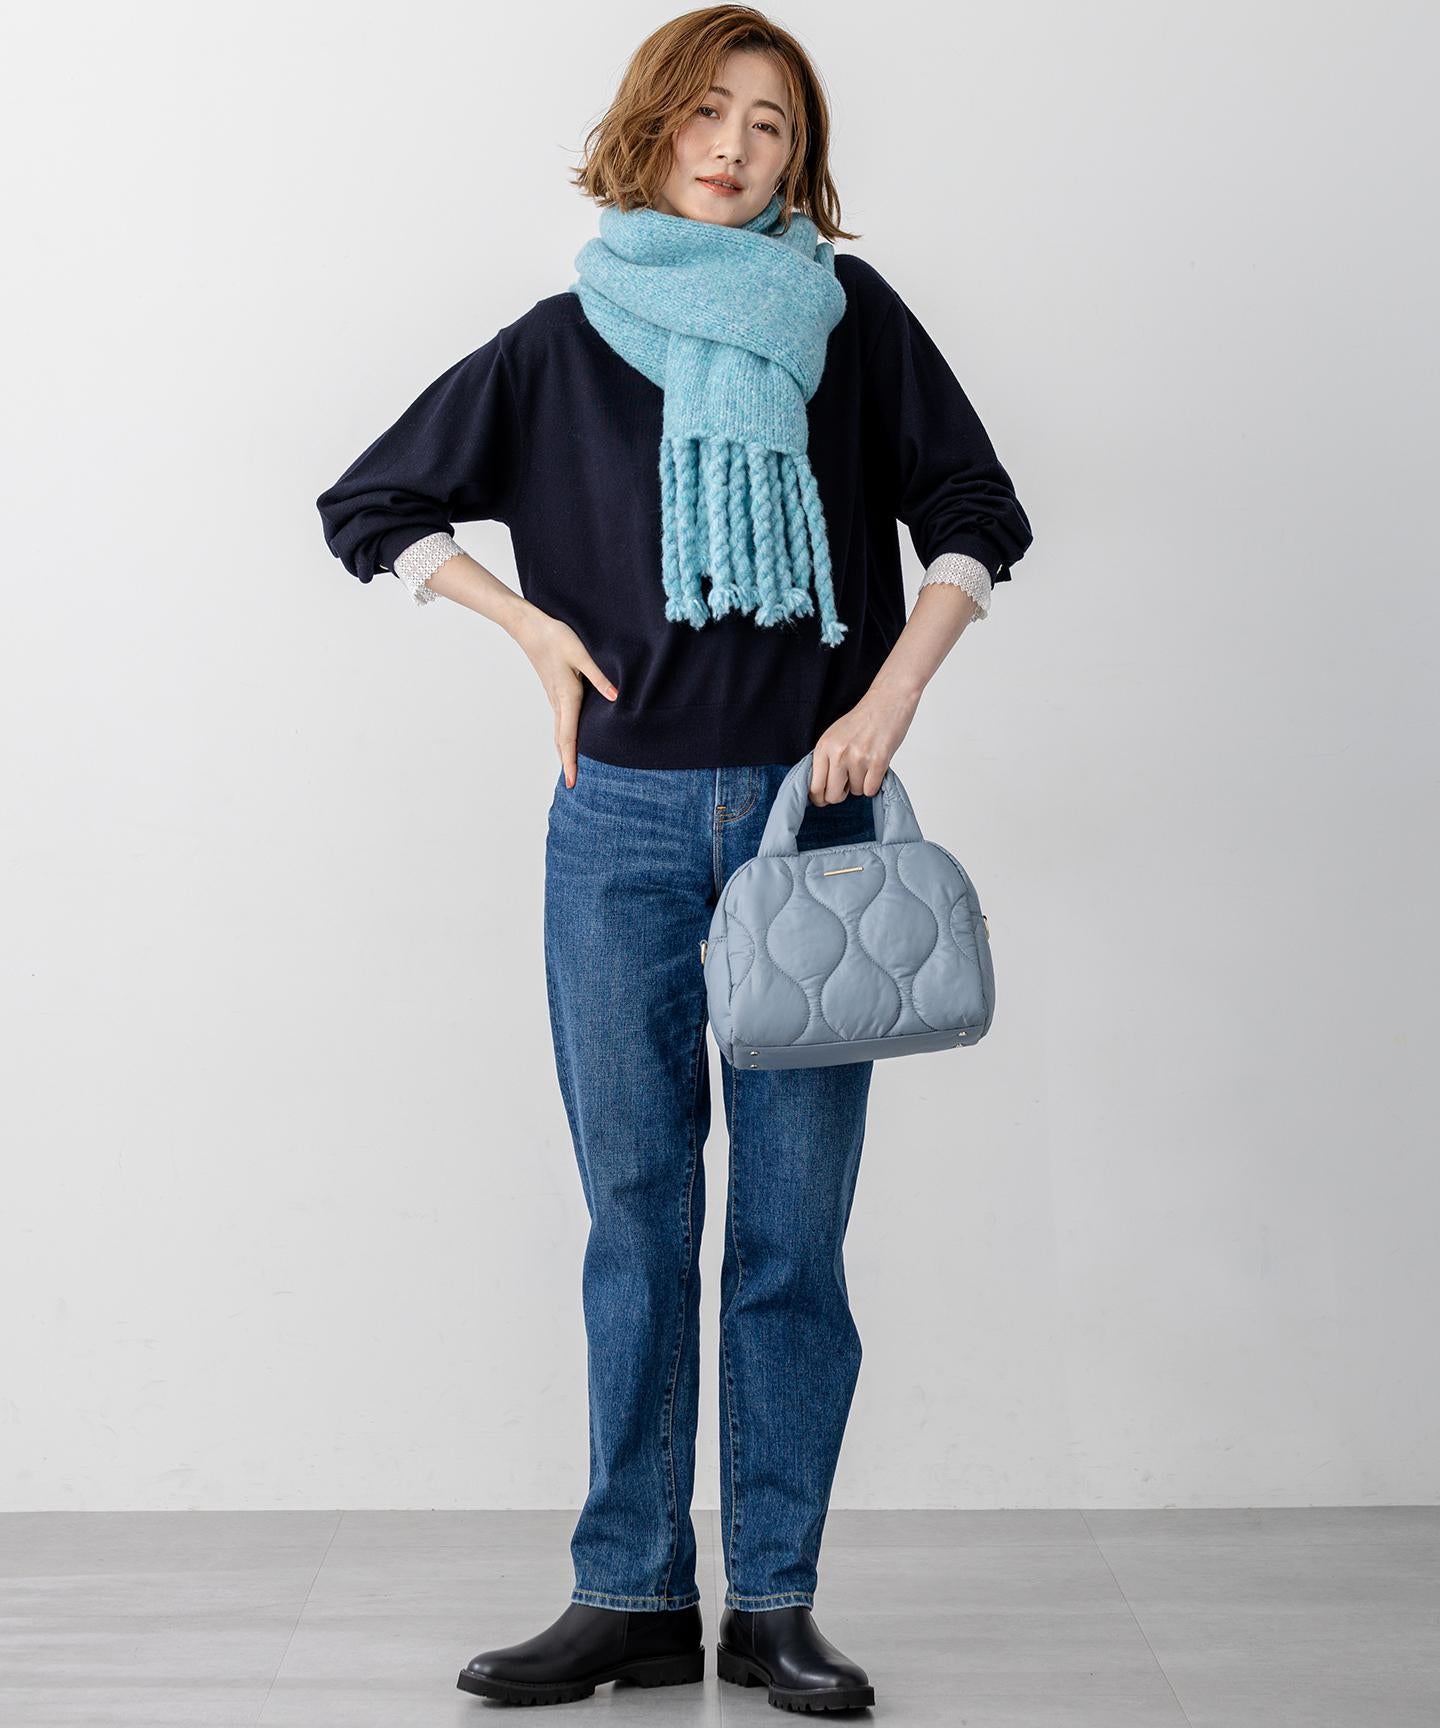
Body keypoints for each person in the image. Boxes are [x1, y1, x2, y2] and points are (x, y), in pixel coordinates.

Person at [316, 5, 1032, 1710]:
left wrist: (891, 692)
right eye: (707, 112)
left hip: (810, 830)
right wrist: (528, 631)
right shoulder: (563, 341)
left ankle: (774, 1602)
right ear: (649, 129)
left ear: (801, 159)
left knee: (790, 1236)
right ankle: (630, 1594)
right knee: (636, 1220)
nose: (734, 146)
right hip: (618, 827)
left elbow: (977, 512)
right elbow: (370, 507)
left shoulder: (849, 321)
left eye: (770, 125)